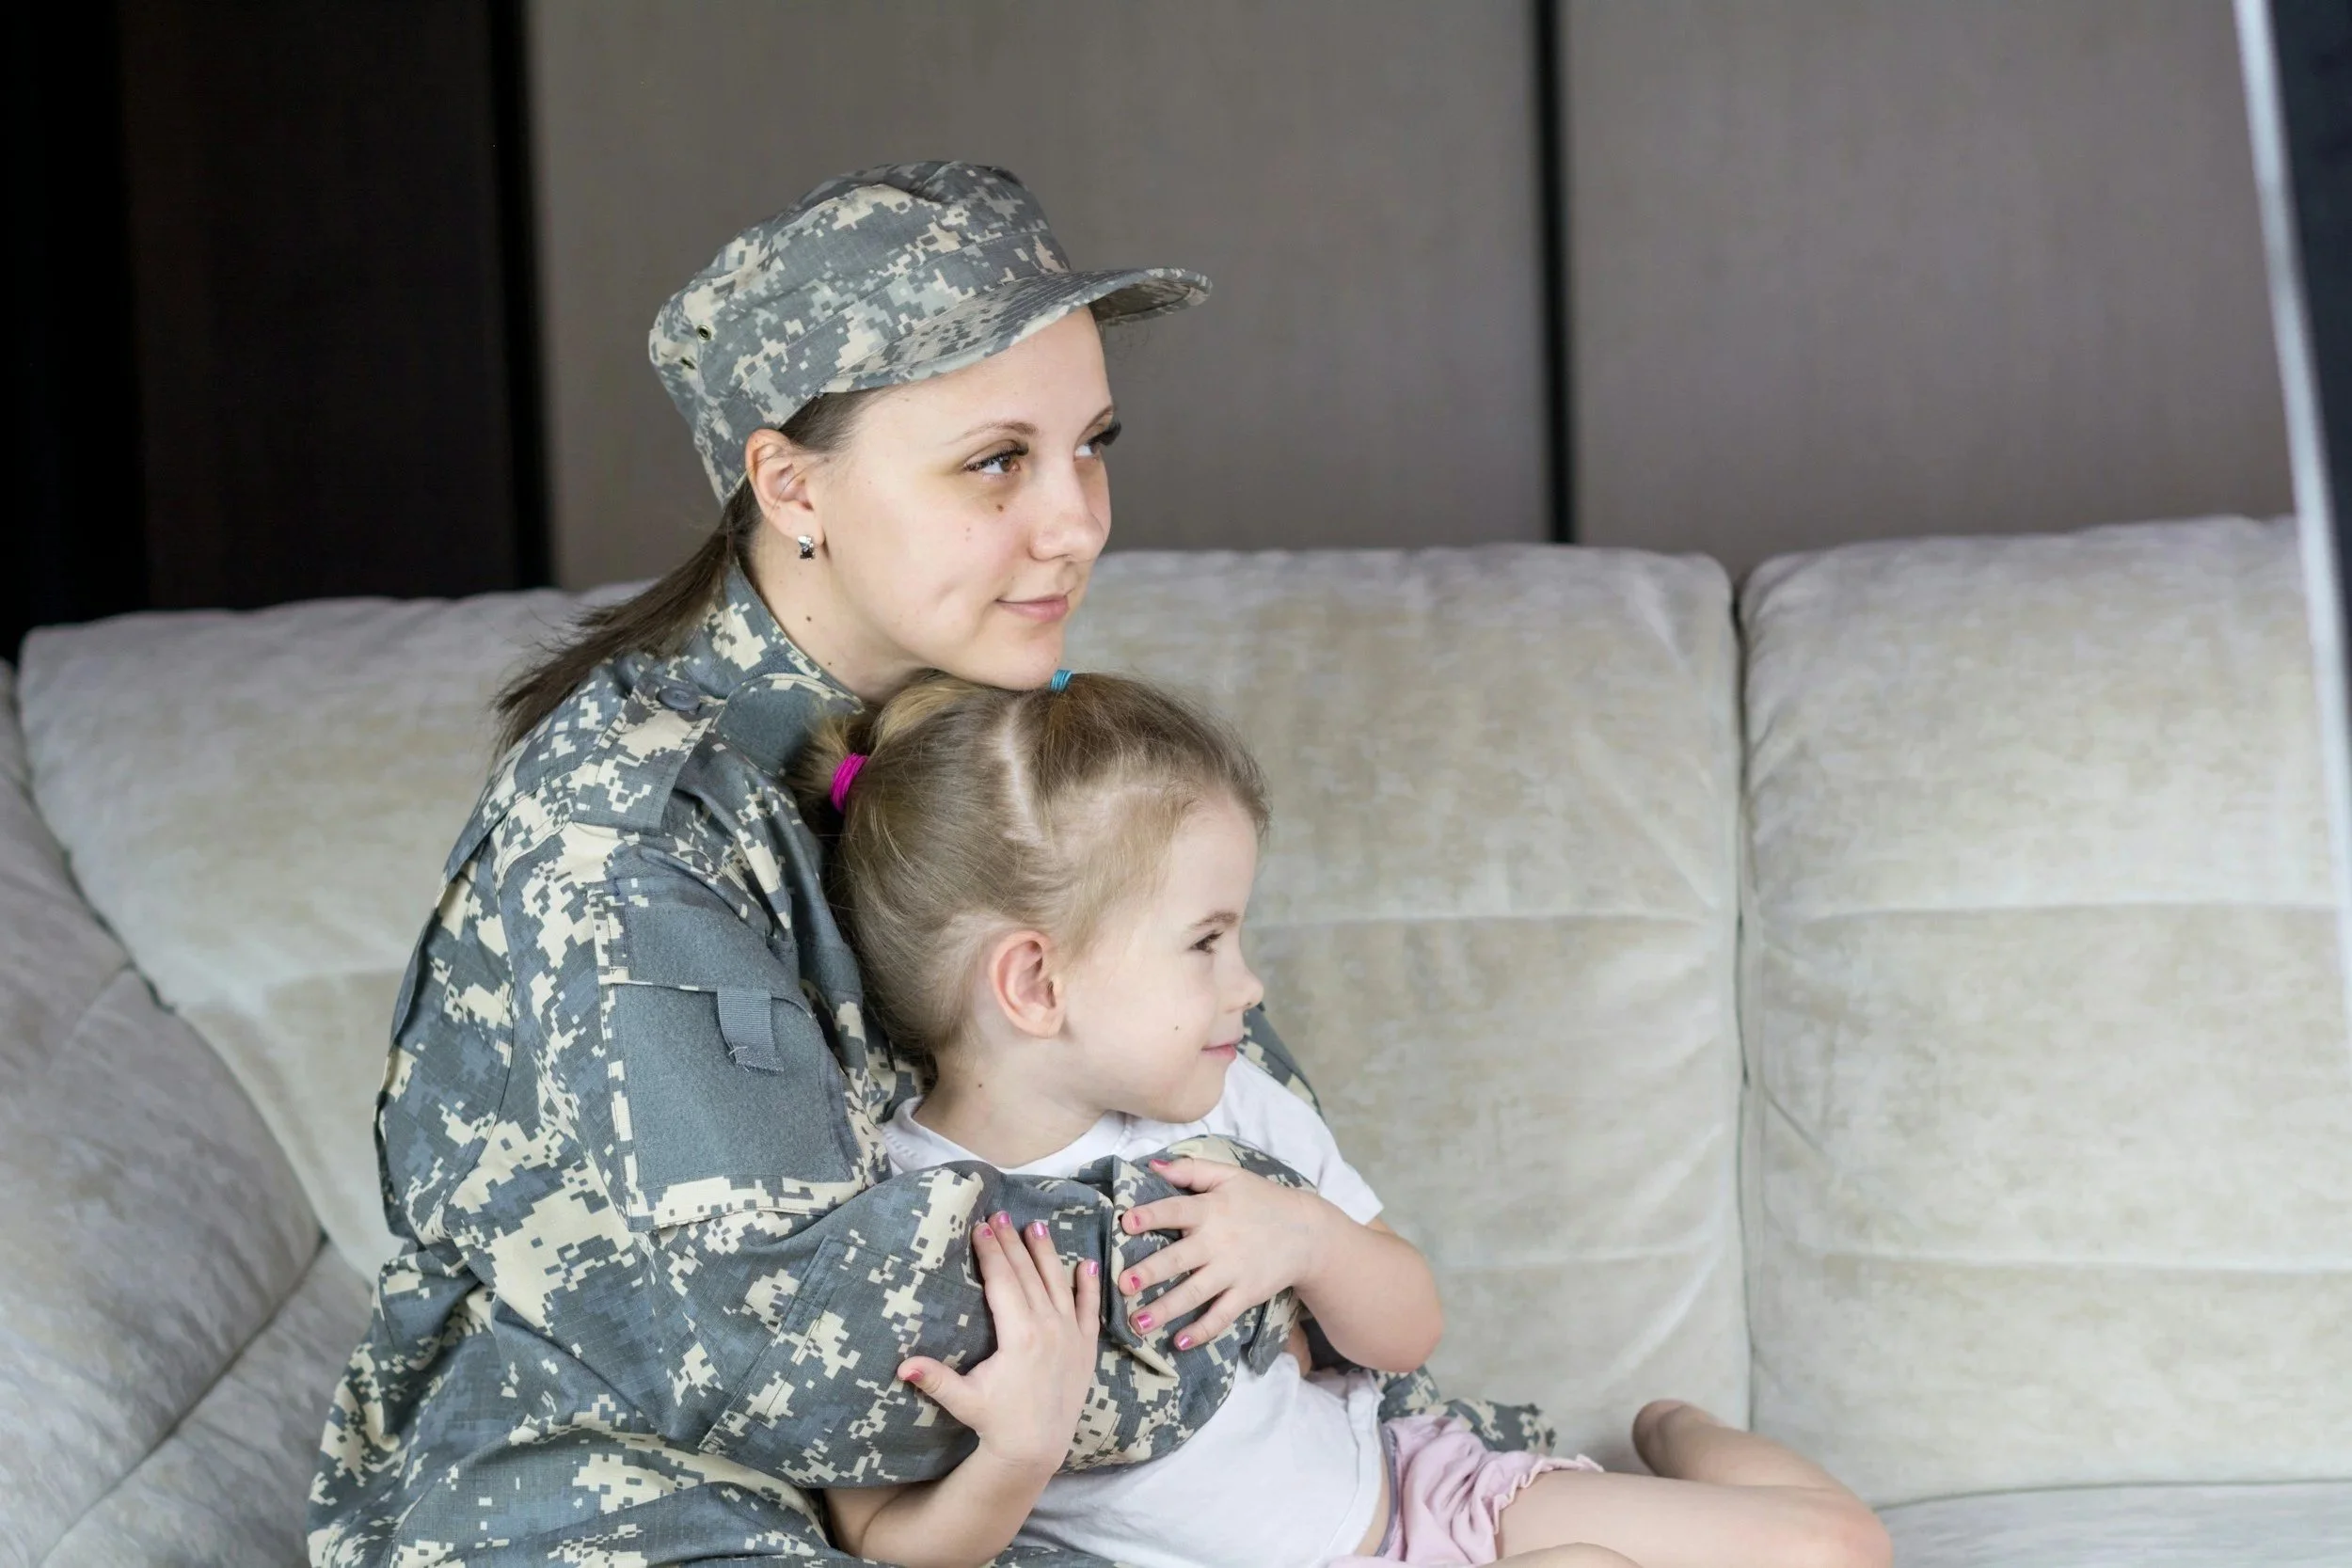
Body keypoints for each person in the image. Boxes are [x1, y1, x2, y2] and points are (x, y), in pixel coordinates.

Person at [309, 161, 1540, 1568]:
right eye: (997, 460)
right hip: (623, 1492)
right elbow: (802, 1346)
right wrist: (1257, 1268)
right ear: (793, 486)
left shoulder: (1000, 725)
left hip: (1015, 1485)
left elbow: (1217, 1101)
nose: (1077, 521)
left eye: (1092, 443)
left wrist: (1287, 1250)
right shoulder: (627, 836)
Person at [790, 673, 1892, 1568]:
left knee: (1843, 1547)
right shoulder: (893, 1223)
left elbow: (1407, 1330)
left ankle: (1676, 1429)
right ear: (1036, 982)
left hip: (1416, 1493)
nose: (1249, 984)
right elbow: (882, 1535)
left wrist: (1309, 1238)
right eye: (1206, 941)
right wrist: (1017, 1452)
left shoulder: (1226, 1104)